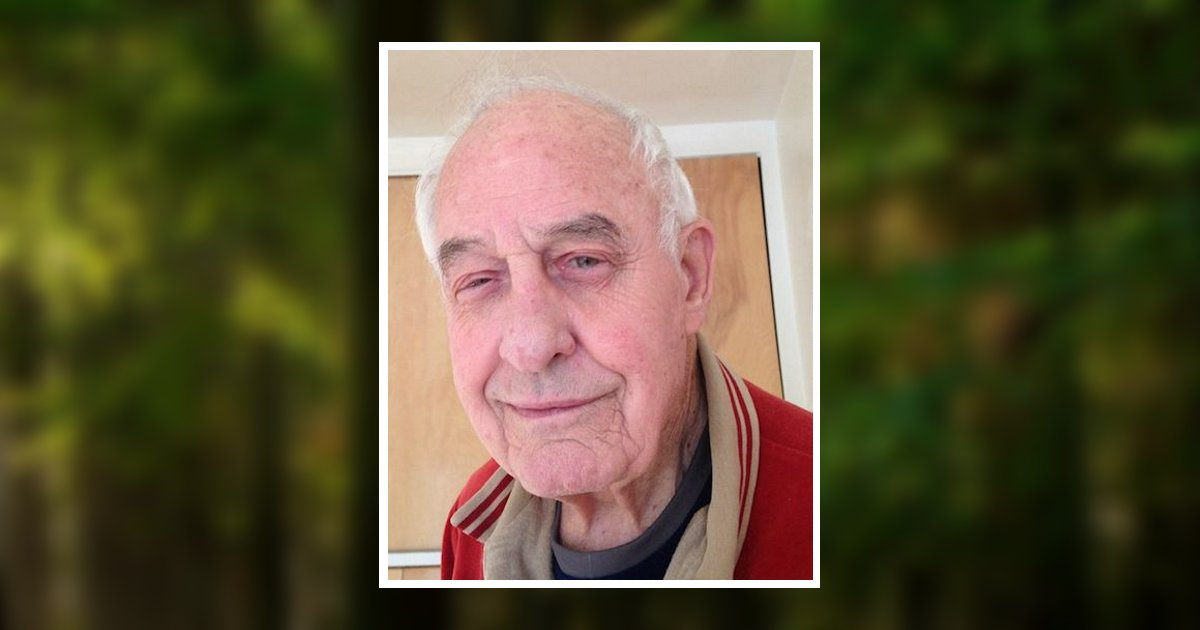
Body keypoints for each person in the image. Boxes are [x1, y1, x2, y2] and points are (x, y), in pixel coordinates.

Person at [414, 77, 813, 580]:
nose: (531, 346)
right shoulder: (468, 526)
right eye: (478, 280)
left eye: (584, 260)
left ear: (690, 276)